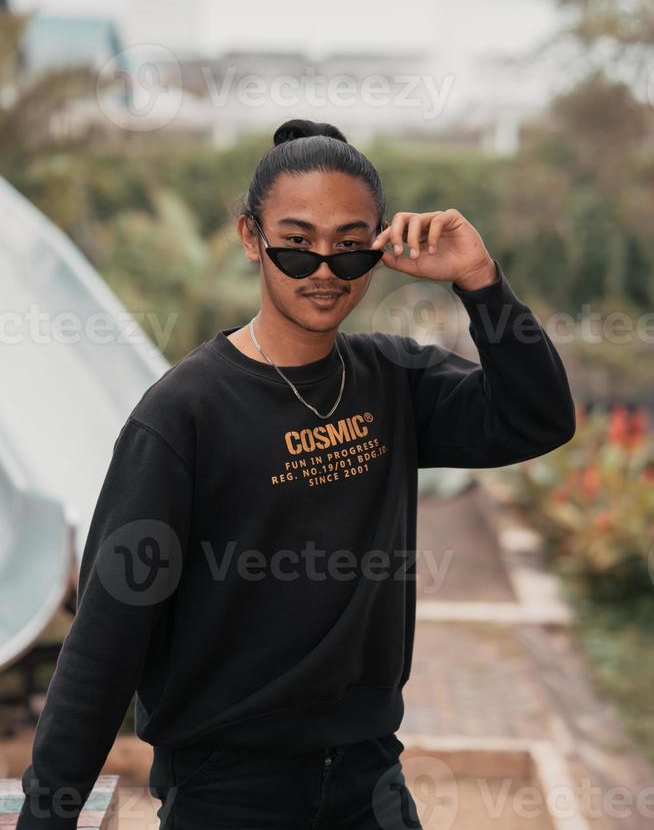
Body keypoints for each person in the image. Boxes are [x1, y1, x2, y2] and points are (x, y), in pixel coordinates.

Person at [16, 118, 576, 830]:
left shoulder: (394, 380)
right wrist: (47, 816)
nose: (322, 271)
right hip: (229, 793)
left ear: (378, 249)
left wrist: (481, 283)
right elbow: (106, 639)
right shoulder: (186, 414)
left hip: (370, 781)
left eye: (349, 249)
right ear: (251, 237)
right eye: (296, 243)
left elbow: (539, 418)